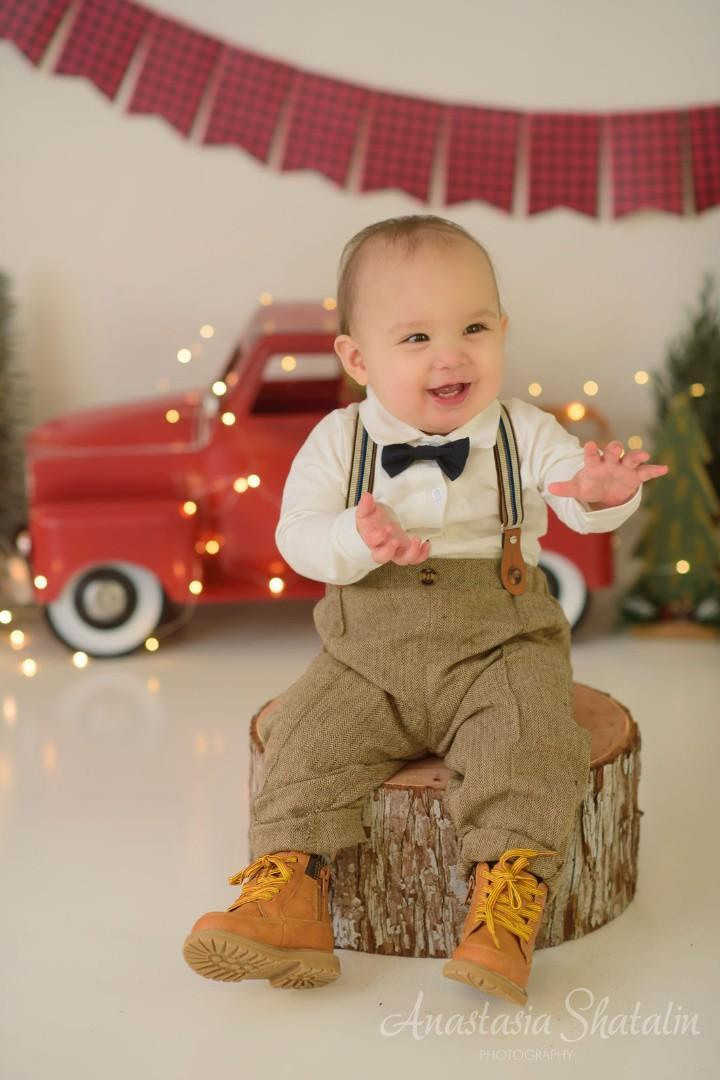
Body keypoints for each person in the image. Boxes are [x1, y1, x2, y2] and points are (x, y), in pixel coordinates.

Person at [183, 215, 669, 1003]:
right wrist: (356, 537)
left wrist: (598, 493)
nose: (451, 355)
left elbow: (573, 498)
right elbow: (297, 538)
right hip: (365, 659)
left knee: (531, 743)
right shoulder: (338, 440)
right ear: (357, 358)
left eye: (473, 328)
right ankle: (289, 900)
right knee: (306, 739)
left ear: (502, 329)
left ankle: (503, 909)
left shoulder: (525, 432)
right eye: (415, 338)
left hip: (499, 649)